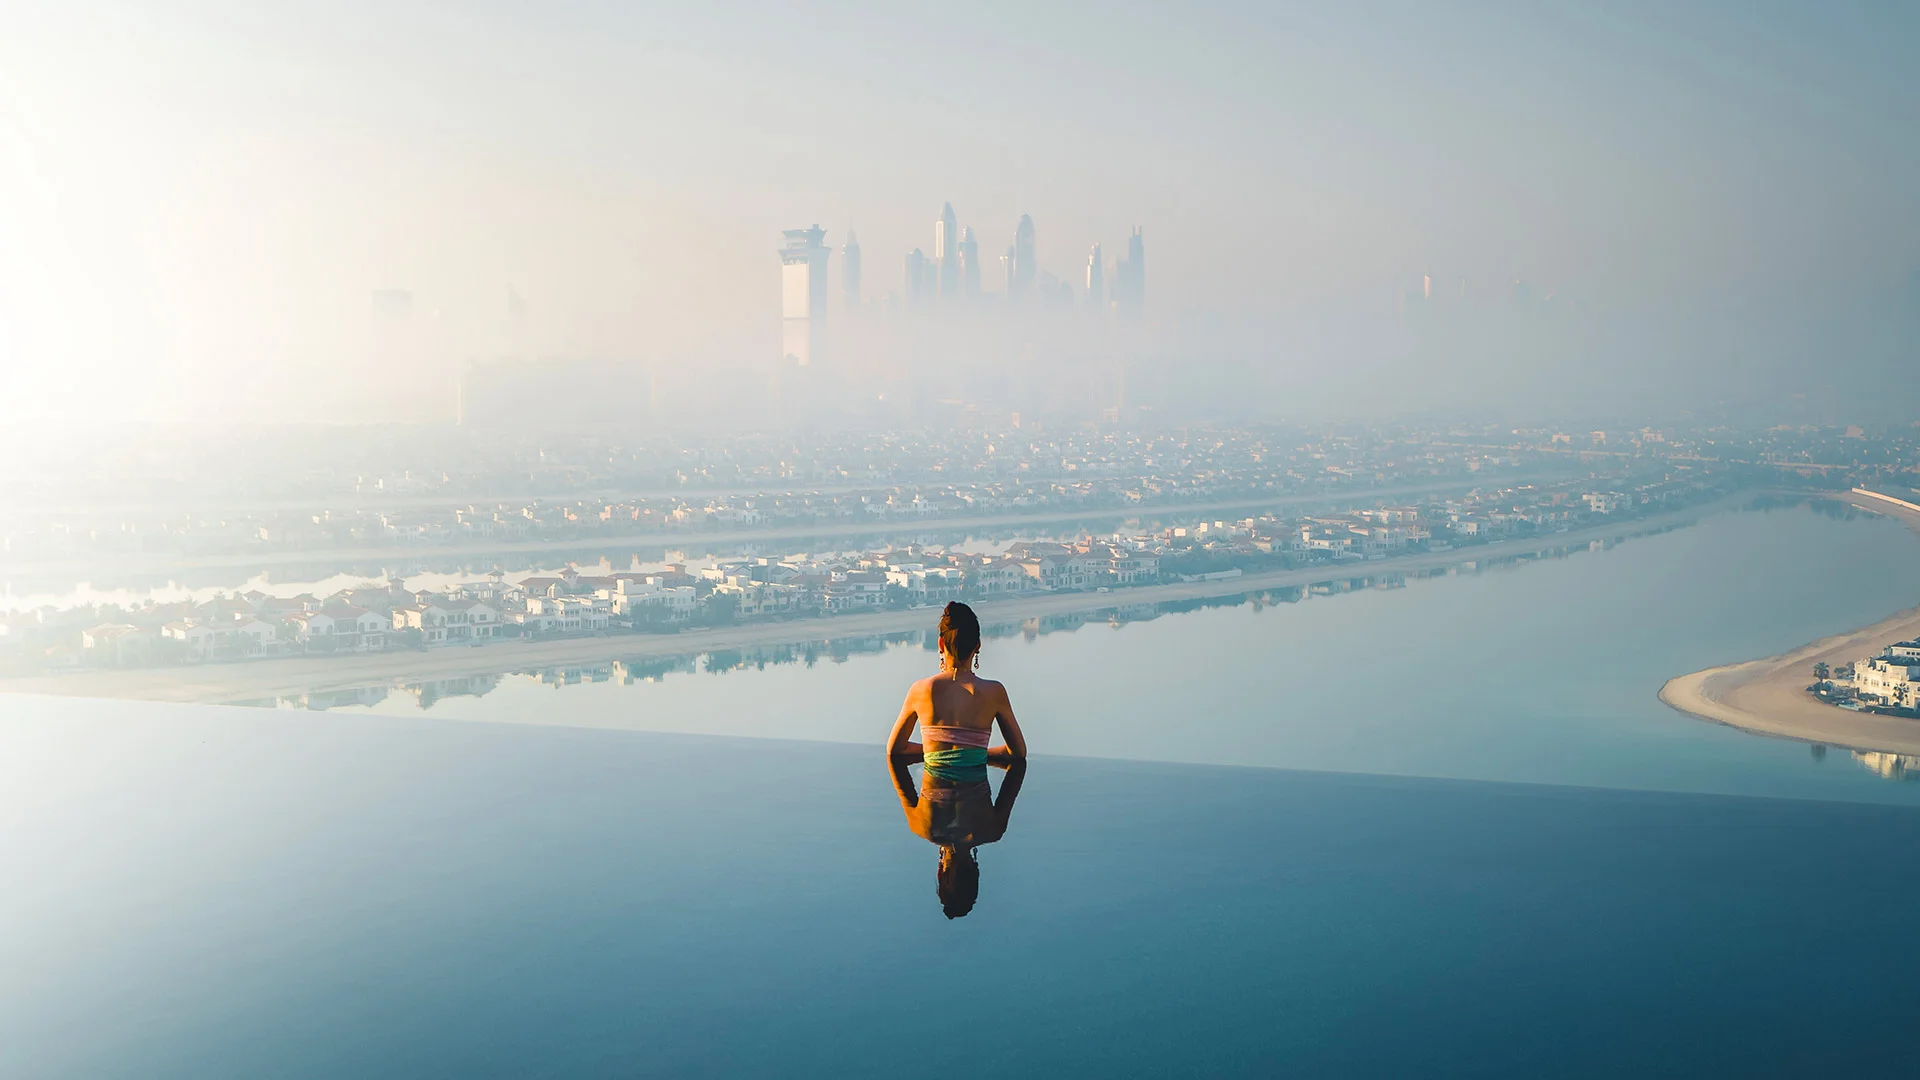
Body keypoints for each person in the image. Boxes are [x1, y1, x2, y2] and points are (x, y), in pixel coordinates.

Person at [885, 601, 1028, 918]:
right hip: (977, 772)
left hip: (933, 770)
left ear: (940, 644)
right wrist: (976, 755)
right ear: (978, 647)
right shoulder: (993, 692)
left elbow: (894, 751)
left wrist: (938, 752)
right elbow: (1018, 753)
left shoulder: (921, 689)